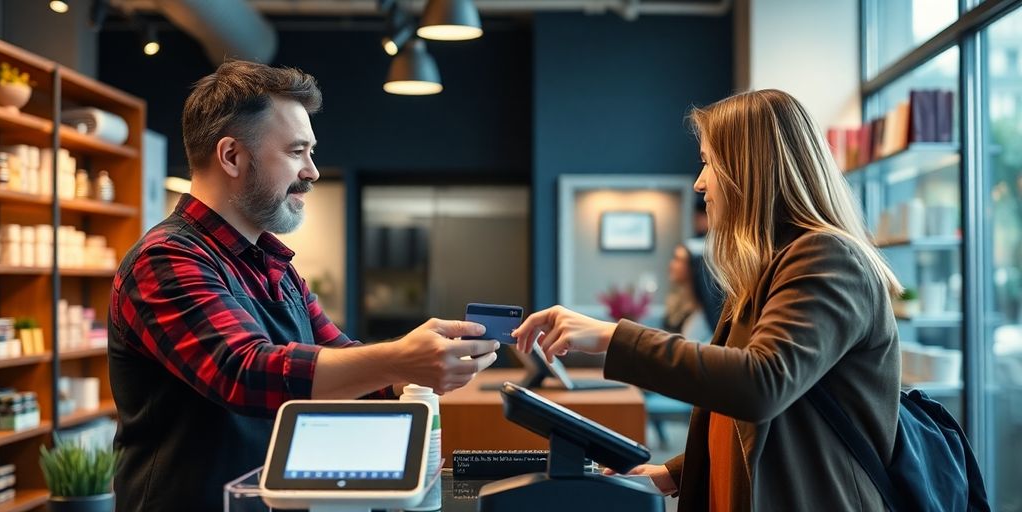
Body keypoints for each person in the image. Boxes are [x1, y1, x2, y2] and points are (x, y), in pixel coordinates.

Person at [108, 61, 499, 511]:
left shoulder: (277, 267)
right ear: (232, 156)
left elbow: (346, 364)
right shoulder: (167, 259)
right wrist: (399, 359)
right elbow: (243, 371)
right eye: (297, 152)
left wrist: (420, 365)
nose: (312, 171)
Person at [514, 89, 902, 511]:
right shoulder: (767, 271)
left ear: (749, 170)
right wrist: (674, 473)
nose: (700, 182)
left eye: (707, 162)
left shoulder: (828, 258)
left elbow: (760, 385)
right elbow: (748, 418)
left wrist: (613, 337)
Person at [663, 242, 720, 342]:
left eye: (678, 259)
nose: (671, 264)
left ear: (693, 266)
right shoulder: (675, 303)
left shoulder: (699, 318)